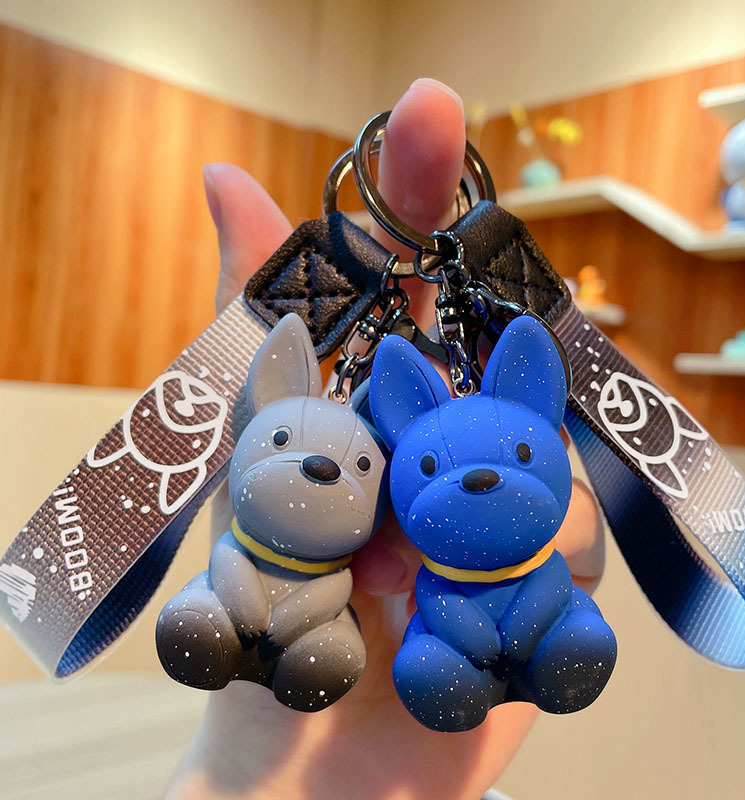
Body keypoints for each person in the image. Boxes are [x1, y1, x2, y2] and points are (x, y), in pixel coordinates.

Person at [167, 78, 605, 800]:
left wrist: (525, 621)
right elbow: (250, 572)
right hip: (271, 645)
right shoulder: (306, 445)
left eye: (525, 456)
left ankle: (544, 653)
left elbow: (522, 589)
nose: (480, 480)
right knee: (383, 650)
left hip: (524, 611)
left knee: (565, 624)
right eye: (428, 465)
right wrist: (244, 772)